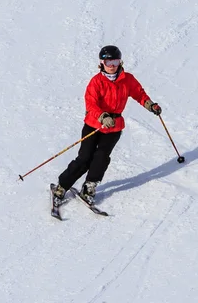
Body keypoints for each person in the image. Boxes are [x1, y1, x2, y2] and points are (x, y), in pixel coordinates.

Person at [52, 45, 162, 204]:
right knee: (84, 158)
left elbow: (139, 93)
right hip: (94, 125)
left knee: (102, 157)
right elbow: (90, 104)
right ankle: (62, 186)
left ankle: (89, 186)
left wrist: (150, 105)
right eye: (108, 62)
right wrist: (102, 117)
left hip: (114, 127)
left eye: (115, 61)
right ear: (102, 63)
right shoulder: (96, 81)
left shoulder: (127, 79)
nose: (111, 66)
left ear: (120, 62)